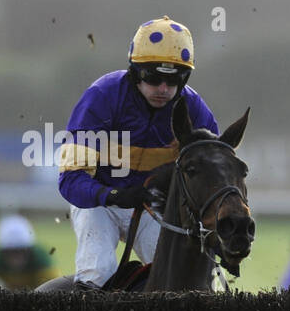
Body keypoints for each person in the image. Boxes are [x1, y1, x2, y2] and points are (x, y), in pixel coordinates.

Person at [55, 16, 219, 289]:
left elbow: (213, 174)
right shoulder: (102, 97)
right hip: (99, 205)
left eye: (174, 80)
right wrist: (114, 195)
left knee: (182, 280)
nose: (163, 89)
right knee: (98, 271)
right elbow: (70, 180)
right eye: (153, 78)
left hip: (152, 209)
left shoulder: (194, 109)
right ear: (134, 72)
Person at [0, 214, 56, 289]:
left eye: (21, 251)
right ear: (2, 252)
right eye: (11, 252)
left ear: (29, 250)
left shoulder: (41, 258)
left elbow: (54, 288)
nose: (16, 257)